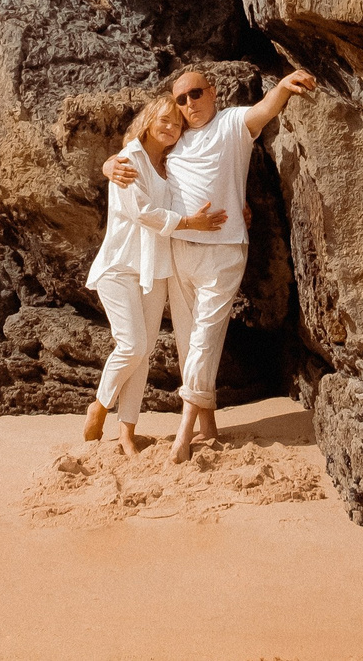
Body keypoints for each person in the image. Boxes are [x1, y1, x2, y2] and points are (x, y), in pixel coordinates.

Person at [102, 64, 314, 461]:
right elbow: (140, 152)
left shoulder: (232, 123)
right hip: (180, 251)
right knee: (189, 343)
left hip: (223, 250)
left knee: (203, 340)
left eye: (195, 93)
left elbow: (264, 110)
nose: (188, 104)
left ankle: (184, 433)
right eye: (181, 99)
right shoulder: (175, 141)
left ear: (212, 92)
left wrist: (284, 87)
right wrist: (109, 164)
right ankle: (208, 427)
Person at [82, 92, 229, 456]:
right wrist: (189, 223)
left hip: (154, 268)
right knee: (132, 345)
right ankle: (99, 405)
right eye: (164, 120)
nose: (171, 128)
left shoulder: (169, 165)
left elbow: (199, 189)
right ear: (148, 121)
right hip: (120, 266)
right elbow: (142, 212)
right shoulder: (128, 159)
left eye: (177, 124)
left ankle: (127, 433)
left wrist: (236, 208)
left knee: (144, 353)